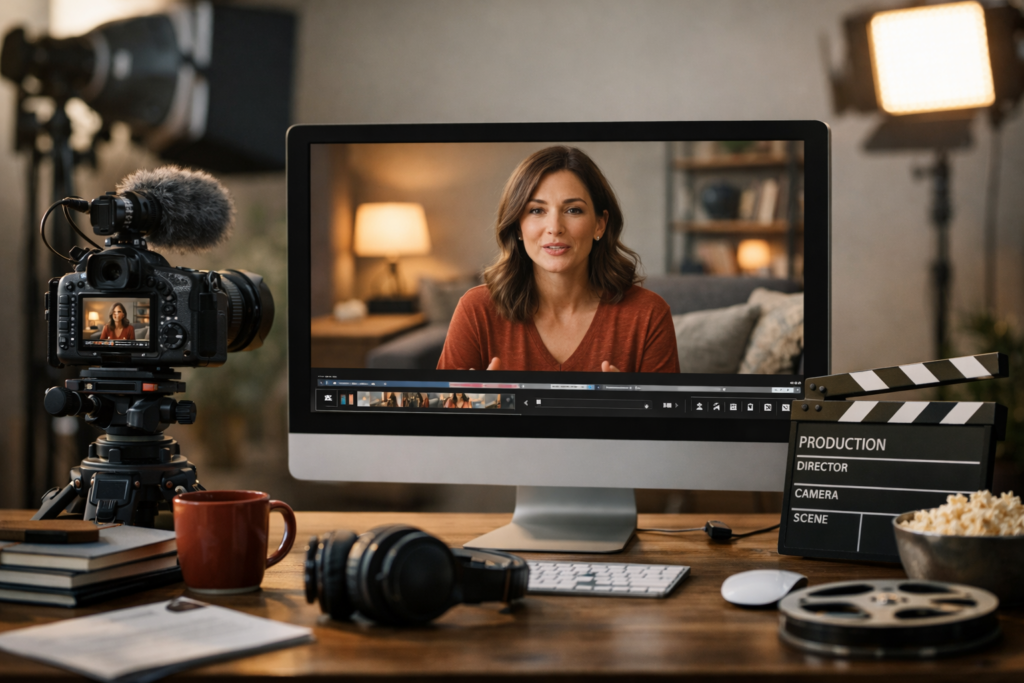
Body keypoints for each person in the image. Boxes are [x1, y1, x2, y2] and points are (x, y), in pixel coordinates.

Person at [437, 146, 678, 373]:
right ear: (518, 226)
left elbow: (669, 405)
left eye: (573, 210)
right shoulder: (476, 310)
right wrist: (482, 400)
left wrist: (631, 401)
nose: (554, 227)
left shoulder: (649, 314)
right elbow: (435, 402)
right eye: (536, 210)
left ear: (600, 224)